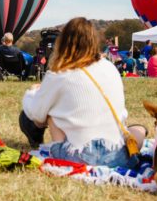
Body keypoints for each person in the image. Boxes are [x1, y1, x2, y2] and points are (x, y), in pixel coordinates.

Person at [19, 17, 146, 168]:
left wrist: (31, 93)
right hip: (118, 157)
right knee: (139, 129)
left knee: (51, 113)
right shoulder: (110, 68)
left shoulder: (59, 73)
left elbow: (35, 113)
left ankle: (50, 144)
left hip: (77, 157)